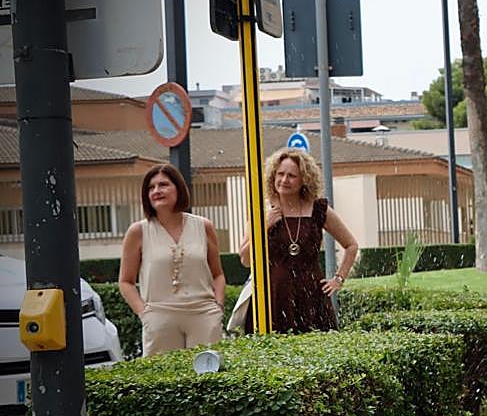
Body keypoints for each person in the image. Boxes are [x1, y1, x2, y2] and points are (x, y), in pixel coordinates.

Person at [239, 148, 358, 333]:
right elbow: (245, 259)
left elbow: (351, 245)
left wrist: (338, 279)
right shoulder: (261, 212)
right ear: (273, 175)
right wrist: (264, 226)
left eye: (292, 176)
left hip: (312, 298)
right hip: (272, 298)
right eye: (280, 174)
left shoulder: (319, 209)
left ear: (304, 180)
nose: (284, 180)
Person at [119, 164, 226, 356]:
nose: (156, 191)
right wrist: (145, 314)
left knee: (207, 379)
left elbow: (218, 274)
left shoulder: (203, 226)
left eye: (163, 185)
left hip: (204, 315)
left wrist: (217, 308)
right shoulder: (138, 232)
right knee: (161, 380)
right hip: (159, 316)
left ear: (178, 188)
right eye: (151, 188)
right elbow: (126, 282)